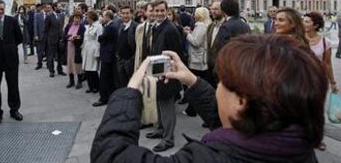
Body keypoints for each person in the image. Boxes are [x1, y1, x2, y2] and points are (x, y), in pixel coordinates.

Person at [91, 34, 328, 162]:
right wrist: (191, 80)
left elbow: (110, 154)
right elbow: (234, 120)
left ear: (241, 101)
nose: (218, 88)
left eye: (222, 82)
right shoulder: (297, 146)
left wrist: (130, 91)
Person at [145, 0, 183, 152]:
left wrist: (170, 73)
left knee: (167, 107)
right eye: (157, 11)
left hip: (167, 74)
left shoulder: (170, 29)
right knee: (160, 103)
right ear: (153, 11)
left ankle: (168, 139)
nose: (159, 13)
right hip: (158, 72)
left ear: (167, 11)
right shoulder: (157, 26)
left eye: (162, 11)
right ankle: (161, 130)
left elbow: (177, 54)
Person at [183, 7, 211, 117]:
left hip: (197, 60)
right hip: (200, 59)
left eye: (195, 13)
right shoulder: (206, 25)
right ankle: (193, 108)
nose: (194, 15)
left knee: (194, 85)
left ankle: (192, 109)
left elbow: (196, 42)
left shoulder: (201, 26)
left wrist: (187, 34)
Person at [304, 12, 338, 92]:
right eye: (303, 21)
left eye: (307, 22)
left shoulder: (325, 42)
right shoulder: (297, 40)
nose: (303, 24)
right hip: (299, 80)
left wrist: (332, 82)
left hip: (317, 81)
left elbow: (327, 64)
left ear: (315, 25)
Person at [93, 10, 118, 107]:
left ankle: (104, 98)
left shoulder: (110, 27)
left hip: (108, 56)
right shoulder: (108, 26)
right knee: (108, 78)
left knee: (105, 78)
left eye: (103, 17)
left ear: (107, 17)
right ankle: (108, 97)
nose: (101, 19)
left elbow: (101, 38)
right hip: (108, 55)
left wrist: (100, 38)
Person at [116, 6, 138, 88]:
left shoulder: (136, 27)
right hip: (121, 60)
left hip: (130, 61)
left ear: (131, 14)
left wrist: (132, 59)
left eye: (127, 13)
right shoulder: (121, 26)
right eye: (123, 13)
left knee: (131, 84)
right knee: (123, 83)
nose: (125, 15)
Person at [82, 10, 103, 93]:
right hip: (87, 49)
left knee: (93, 69)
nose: (87, 19)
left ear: (92, 17)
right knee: (87, 69)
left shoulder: (98, 26)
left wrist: (97, 52)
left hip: (93, 48)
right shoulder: (88, 26)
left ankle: (96, 86)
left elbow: (99, 40)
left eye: (88, 17)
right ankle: (90, 86)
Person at [63, 12, 85, 89]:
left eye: (78, 18)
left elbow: (82, 37)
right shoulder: (69, 26)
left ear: (80, 19)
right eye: (75, 17)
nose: (76, 19)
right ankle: (71, 81)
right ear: (73, 18)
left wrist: (75, 38)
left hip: (77, 48)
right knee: (70, 64)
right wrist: (68, 36)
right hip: (69, 48)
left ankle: (79, 81)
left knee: (77, 64)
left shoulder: (82, 27)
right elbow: (64, 36)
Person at [206, 0, 225, 88]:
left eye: (216, 9)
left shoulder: (226, 27)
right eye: (211, 9)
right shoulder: (210, 26)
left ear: (223, 11)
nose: (213, 11)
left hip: (221, 69)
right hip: (210, 67)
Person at [44, 3, 66, 77]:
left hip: (60, 39)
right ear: (55, 7)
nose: (60, 8)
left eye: (60, 6)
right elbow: (46, 29)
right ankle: (51, 71)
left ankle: (60, 70)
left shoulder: (62, 15)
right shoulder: (49, 16)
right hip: (52, 39)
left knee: (60, 56)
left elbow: (62, 27)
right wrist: (48, 39)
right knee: (51, 56)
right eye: (59, 6)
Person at [34, 3, 47, 70]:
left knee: (48, 51)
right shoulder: (37, 15)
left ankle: (49, 64)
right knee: (39, 51)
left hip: (48, 36)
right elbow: (35, 25)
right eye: (46, 8)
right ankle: (39, 64)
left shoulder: (50, 15)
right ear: (43, 8)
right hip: (40, 35)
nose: (48, 9)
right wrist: (36, 35)